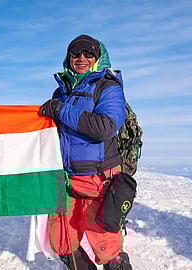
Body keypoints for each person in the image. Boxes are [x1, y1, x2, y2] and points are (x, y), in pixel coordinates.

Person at [39, 34, 133, 270]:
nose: (81, 58)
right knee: (63, 241)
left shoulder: (108, 87)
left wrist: (60, 110)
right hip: (65, 180)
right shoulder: (61, 91)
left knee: (106, 244)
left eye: (88, 53)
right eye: (75, 53)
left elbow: (104, 127)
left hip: (98, 180)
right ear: (68, 58)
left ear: (98, 58)